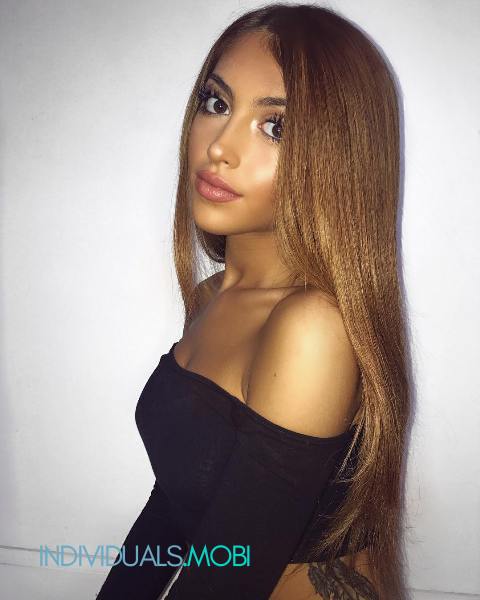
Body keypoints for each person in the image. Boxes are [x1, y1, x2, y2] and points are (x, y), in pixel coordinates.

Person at [97, 4, 412, 599]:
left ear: (339, 158)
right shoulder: (212, 296)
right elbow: (178, 497)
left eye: (276, 127)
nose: (219, 146)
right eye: (217, 103)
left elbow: (228, 580)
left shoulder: (312, 328)